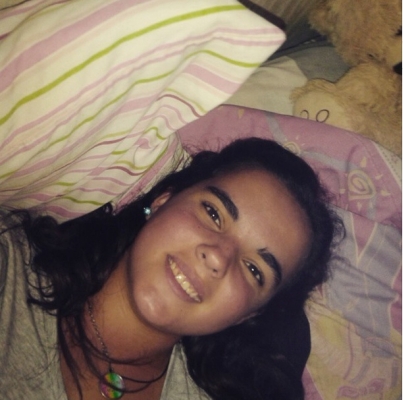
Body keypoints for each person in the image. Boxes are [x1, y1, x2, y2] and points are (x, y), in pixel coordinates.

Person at [0, 138, 343, 400]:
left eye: (254, 270)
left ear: (249, 314)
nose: (218, 257)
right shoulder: (11, 266)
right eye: (213, 213)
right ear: (163, 199)